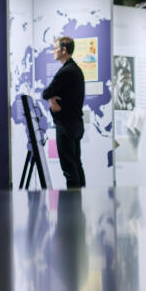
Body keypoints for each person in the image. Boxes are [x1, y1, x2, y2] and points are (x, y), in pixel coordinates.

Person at [43, 35, 86, 189]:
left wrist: (51, 99)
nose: (53, 52)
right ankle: (78, 203)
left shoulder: (66, 71)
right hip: (75, 125)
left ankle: (73, 207)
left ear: (64, 50)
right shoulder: (75, 70)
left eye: (55, 49)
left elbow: (46, 92)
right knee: (76, 165)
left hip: (66, 126)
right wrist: (52, 99)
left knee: (69, 169)